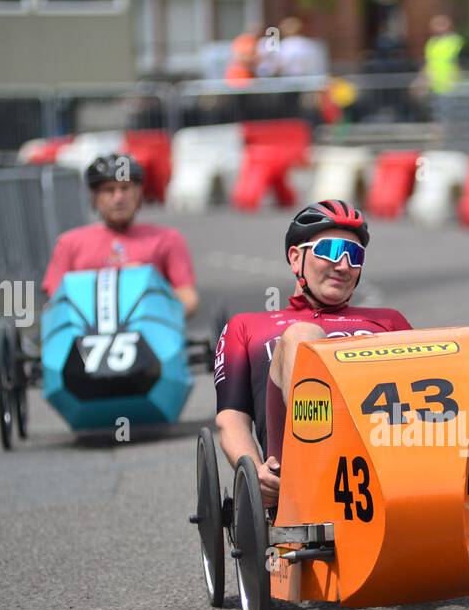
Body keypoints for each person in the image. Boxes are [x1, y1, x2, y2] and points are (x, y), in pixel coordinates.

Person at [213, 201, 411, 505]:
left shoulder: (389, 321)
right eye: (329, 250)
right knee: (303, 335)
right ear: (296, 258)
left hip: (386, 465)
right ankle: (319, 464)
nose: (343, 265)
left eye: (354, 255)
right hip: (296, 474)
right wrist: (254, 472)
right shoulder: (247, 326)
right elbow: (232, 418)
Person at [42, 154, 198, 317]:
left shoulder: (168, 239)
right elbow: (55, 300)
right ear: (94, 197)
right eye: (109, 190)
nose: (118, 198)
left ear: (138, 194)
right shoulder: (69, 243)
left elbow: (188, 298)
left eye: (125, 188)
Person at [422, 14, 464, 96]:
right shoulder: (431, 42)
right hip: (435, 85)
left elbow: (463, 60)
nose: (437, 27)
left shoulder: (455, 40)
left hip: (455, 83)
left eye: (441, 24)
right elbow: (428, 63)